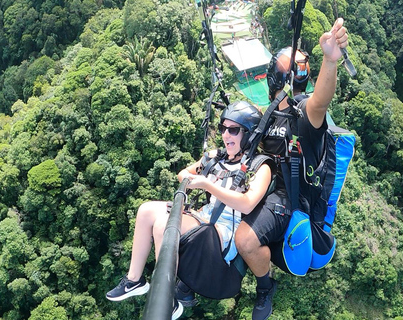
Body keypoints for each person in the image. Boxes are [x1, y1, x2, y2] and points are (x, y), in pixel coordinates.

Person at [105, 101, 273, 319]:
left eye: (233, 130)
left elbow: (247, 203)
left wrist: (207, 184)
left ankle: (169, 297)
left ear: (249, 134)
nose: (225, 135)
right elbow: (183, 174)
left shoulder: (260, 167)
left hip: (224, 230)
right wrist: (202, 171)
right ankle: (134, 279)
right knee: (146, 211)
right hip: (204, 217)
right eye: (223, 129)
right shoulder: (218, 157)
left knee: (164, 224)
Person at [234, 18, 350, 320]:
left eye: (299, 67)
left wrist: (329, 59)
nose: (297, 70)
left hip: (290, 198)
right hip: (265, 189)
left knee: (245, 240)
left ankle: (264, 287)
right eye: (294, 66)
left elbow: (321, 101)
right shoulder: (266, 118)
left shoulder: (304, 116)